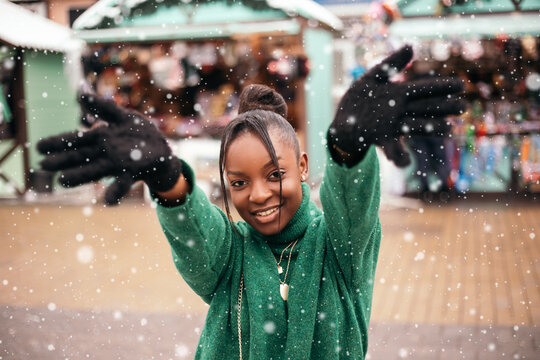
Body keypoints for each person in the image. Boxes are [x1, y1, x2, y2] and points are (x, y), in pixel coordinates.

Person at [37, 46, 464, 359]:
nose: (257, 195)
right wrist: (169, 181)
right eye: (239, 182)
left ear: (301, 167)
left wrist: (348, 153)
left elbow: (352, 209)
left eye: (275, 174)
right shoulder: (230, 254)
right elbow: (197, 234)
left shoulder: (339, 248)